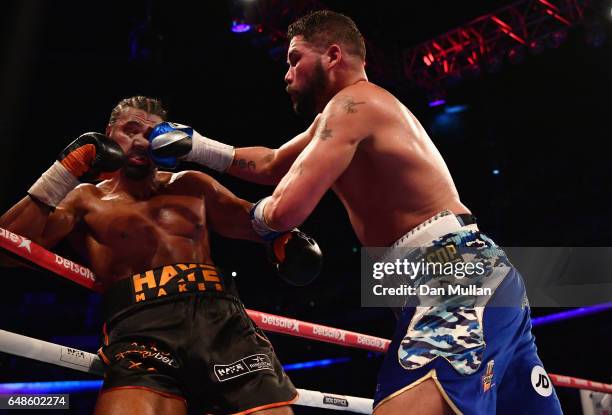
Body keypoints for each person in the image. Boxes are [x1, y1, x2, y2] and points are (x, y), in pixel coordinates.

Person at [148, 11, 564, 415]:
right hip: (455, 275)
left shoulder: (353, 106)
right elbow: (274, 163)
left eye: (295, 59)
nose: (286, 74)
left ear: (332, 55)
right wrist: (199, 146)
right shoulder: (348, 113)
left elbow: (285, 209)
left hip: (452, 274)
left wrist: (254, 221)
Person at [0, 96, 322, 415]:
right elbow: (9, 248)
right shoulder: (84, 199)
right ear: (109, 133)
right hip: (141, 329)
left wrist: (284, 240)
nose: (141, 141)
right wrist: (65, 170)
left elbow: (257, 222)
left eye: (152, 133)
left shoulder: (193, 185)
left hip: (221, 324)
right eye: (131, 130)